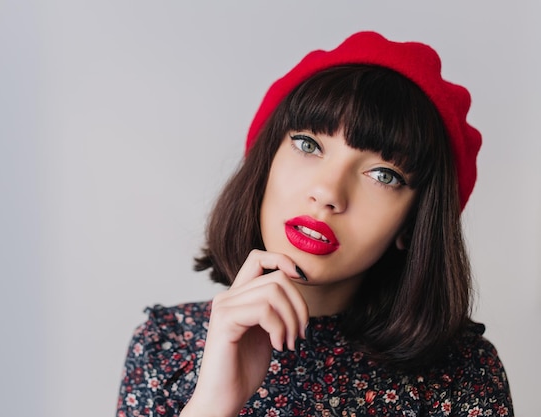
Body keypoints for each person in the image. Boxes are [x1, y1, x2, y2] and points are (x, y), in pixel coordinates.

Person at [115, 31, 514, 416]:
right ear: (265, 164)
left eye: (383, 175)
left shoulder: (461, 373)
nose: (327, 193)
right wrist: (213, 406)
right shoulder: (164, 347)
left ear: (412, 223)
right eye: (308, 145)